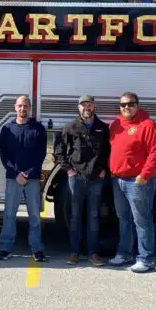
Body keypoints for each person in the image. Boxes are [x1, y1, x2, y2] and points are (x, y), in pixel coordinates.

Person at [108, 91, 156, 273]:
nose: (127, 107)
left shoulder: (148, 125)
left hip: (137, 181)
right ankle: (125, 253)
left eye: (130, 104)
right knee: (123, 219)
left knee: (142, 220)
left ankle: (146, 259)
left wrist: (144, 175)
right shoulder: (116, 124)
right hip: (119, 180)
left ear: (137, 105)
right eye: (123, 105)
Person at [52, 94, 110, 266]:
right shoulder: (71, 127)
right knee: (75, 216)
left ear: (94, 107)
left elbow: (108, 151)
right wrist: (69, 170)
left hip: (96, 179)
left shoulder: (102, 128)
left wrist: (104, 170)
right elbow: (59, 151)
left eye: (90, 105)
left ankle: (93, 254)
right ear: (79, 108)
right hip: (76, 178)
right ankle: (74, 253)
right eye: (83, 105)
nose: (87, 108)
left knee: (93, 216)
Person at [0, 95, 48, 262]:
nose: (22, 109)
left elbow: (41, 155)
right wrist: (16, 173)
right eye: (20, 106)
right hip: (13, 178)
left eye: (25, 106)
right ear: (15, 107)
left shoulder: (38, 129)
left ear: (30, 108)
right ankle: (5, 248)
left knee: (34, 215)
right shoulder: (7, 129)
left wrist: (27, 173)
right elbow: (4, 156)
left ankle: (37, 248)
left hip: (31, 179)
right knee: (9, 214)